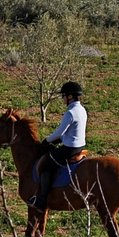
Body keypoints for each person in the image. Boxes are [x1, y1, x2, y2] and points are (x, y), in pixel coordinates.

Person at [27, 81, 87, 212]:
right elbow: (70, 132)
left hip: (69, 149)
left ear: (70, 96)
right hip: (80, 146)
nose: (63, 99)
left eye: (64, 96)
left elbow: (60, 132)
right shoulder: (82, 110)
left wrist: (46, 141)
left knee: (45, 164)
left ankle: (41, 200)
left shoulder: (70, 113)